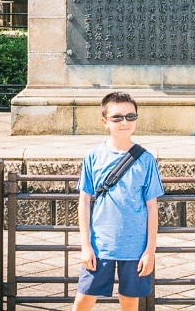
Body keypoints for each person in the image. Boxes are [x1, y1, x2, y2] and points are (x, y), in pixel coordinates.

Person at [72, 91, 164, 311]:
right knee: (84, 299)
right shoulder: (93, 156)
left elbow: (152, 207)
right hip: (100, 245)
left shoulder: (146, 159)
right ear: (105, 122)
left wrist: (150, 250)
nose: (125, 122)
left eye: (130, 116)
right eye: (117, 117)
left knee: (129, 302)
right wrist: (85, 246)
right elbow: (84, 201)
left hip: (135, 247)